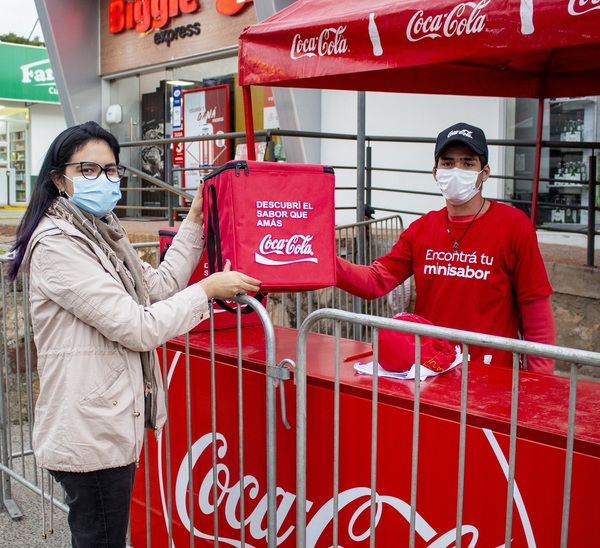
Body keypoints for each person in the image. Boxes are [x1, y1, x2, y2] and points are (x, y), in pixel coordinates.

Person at [7, 121, 261, 547]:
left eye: (111, 170)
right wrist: (207, 290)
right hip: (89, 432)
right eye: (89, 169)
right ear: (58, 179)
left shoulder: (103, 234)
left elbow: (157, 287)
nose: (104, 179)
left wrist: (195, 222)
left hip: (106, 422)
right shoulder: (57, 245)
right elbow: (138, 326)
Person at [336, 122, 555, 374]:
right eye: (448, 163)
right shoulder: (422, 229)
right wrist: (322, 261)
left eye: (468, 163)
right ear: (435, 172)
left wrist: (541, 382)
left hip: (492, 376)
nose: (457, 170)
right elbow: (375, 281)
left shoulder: (514, 227)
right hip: (431, 371)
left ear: (484, 172)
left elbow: (535, 310)